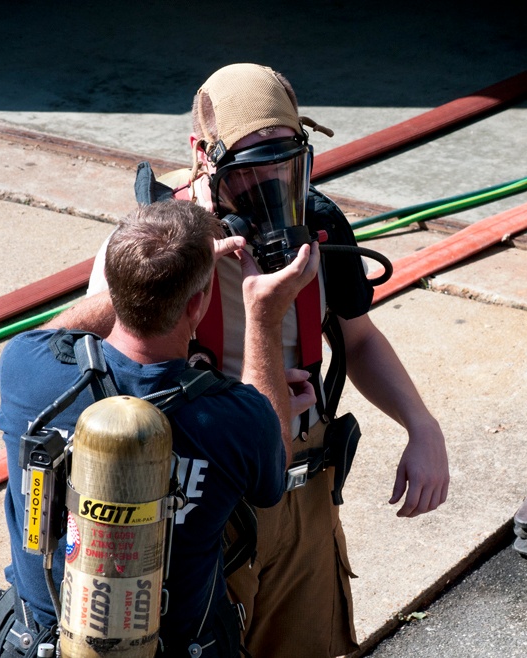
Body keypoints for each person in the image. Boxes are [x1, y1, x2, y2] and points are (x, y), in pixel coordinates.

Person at [68, 63, 450, 657]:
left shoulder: (320, 225)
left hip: (304, 493)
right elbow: (98, 366)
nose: (270, 185)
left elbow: (359, 338)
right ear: (203, 154)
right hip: (202, 503)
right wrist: (180, 259)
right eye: (249, 169)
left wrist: (421, 426)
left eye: (285, 163)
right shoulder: (154, 244)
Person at [0, 199, 319, 657]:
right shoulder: (239, 419)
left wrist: (145, 278)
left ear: (114, 284)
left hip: (37, 643)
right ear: (197, 304)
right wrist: (263, 316)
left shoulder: (25, 367)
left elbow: (52, 335)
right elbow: (273, 475)